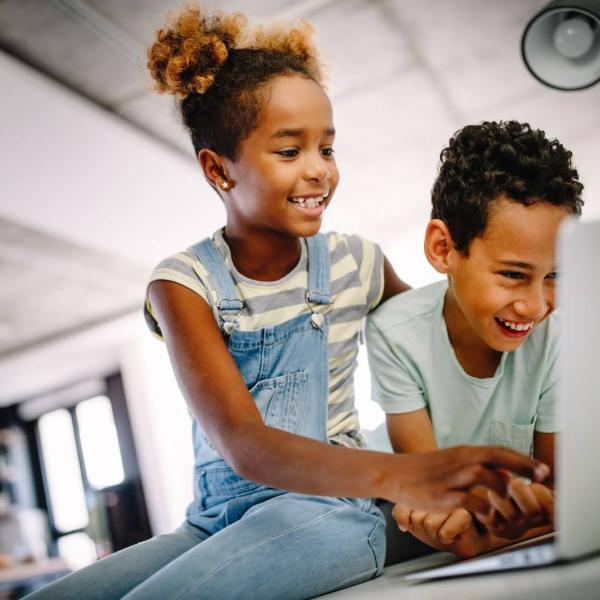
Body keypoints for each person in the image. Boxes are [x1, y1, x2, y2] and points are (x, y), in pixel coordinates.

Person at [27, 10, 549, 600]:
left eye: (326, 148)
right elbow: (244, 445)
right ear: (218, 169)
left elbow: (445, 344)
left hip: (331, 512)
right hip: (211, 522)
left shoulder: (358, 263)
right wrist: (407, 474)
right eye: (289, 150)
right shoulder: (183, 284)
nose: (318, 170)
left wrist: (510, 288)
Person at [366, 120, 584, 558]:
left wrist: (514, 522)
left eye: (555, 276)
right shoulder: (393, 331)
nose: (536, 306)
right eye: (512, 275)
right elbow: (432, 494)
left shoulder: (560, 341)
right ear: (444, 249)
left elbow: (560, 493)